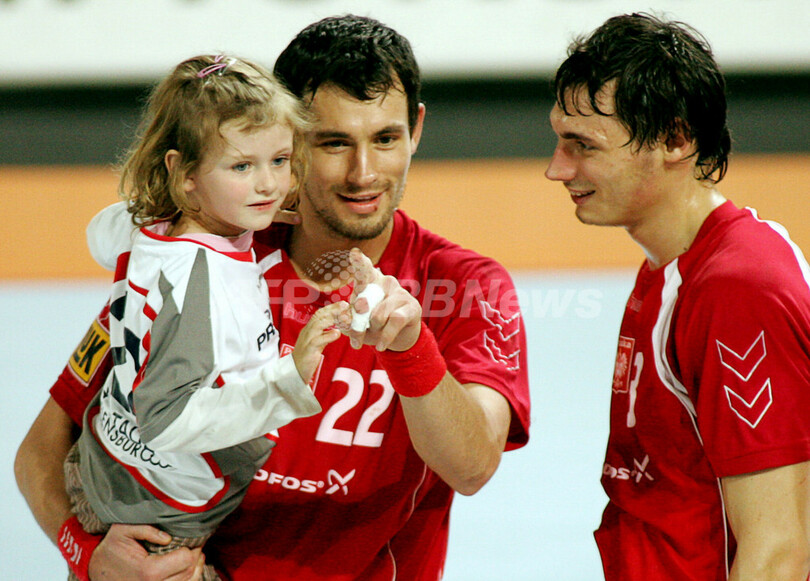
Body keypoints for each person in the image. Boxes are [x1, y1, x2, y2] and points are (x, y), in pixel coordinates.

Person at [15, 14, 531, 580]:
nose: (363, 173)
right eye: (332, 143)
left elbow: (473, 467)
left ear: (417, 130)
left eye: (385, 139)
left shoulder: (465, 285)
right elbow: (44, 445)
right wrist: (86, 556)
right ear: (286, 136)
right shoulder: (208, 254)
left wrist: (410, 348)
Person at [61, 53, 353, 581]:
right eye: (242, 167)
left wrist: (210, 201)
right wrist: (287, 379)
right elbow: (166, 420)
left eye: (280, 160)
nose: (269, 185)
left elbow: (99, 236)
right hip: (158, 518)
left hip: (101, 464)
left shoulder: (150, 226)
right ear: (185, 172)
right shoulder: (204, 286)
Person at [545, 12, 810, 580]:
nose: (556, 169)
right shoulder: (673, 268)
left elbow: (779, 551)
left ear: (675, 139)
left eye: (582, 146)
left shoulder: (737, 290)